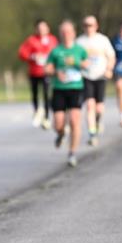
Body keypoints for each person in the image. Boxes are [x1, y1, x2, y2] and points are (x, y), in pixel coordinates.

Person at [45, 20, 89, 167]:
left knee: (75, 121)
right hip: (59, 89)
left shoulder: (79, 50)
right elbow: (47, 68)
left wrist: (76, 62)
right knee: (58, 123)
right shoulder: (55, 51)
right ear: (60, 34)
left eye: (68, 32)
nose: (66, 34)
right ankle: (61, 134)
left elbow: (87, 64)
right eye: (63, 32)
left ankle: (72, 152)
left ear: (73, 33)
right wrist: (56, 72)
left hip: (76, 88)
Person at [77, 15, 115, 146]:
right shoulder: (79, 42)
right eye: (86, 25)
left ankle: (98, 122)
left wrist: (109, 69)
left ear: (96, 26)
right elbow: (75, 59)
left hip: (100, 76)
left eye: (91, 25)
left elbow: (111, 56)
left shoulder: (102, 40)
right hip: (86, 76)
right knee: (89, 105)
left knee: (99, 109)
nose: (88, 28)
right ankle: (92, 134)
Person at [17, 19, 58, 130]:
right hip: (34, 71)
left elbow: (57, 53)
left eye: (43, 28)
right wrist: (32, 56)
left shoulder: (52, 40)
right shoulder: (31, 40)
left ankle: (46, 117)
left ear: (48, 28)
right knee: (34, 94)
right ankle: (36, 111)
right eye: (39, 28)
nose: (41, 30)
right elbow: (22, 53)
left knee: (46, 94)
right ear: (36, 29)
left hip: (46, 72)